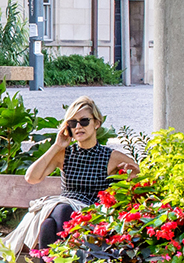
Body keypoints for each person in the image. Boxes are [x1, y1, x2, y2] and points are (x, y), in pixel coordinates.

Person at [23, 97, 137, 249]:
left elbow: (138, 177)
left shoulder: (111, 157)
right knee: (49, 224)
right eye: (72, 123)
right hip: (64, 210)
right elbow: (31, 178)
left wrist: (133, 174)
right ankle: (63, 261)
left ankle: (61, 261)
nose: (78, 127)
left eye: (84, 121)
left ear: (97, 123)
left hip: (93, 215)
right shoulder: (64, 154)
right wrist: (57, 146)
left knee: (56, 218)